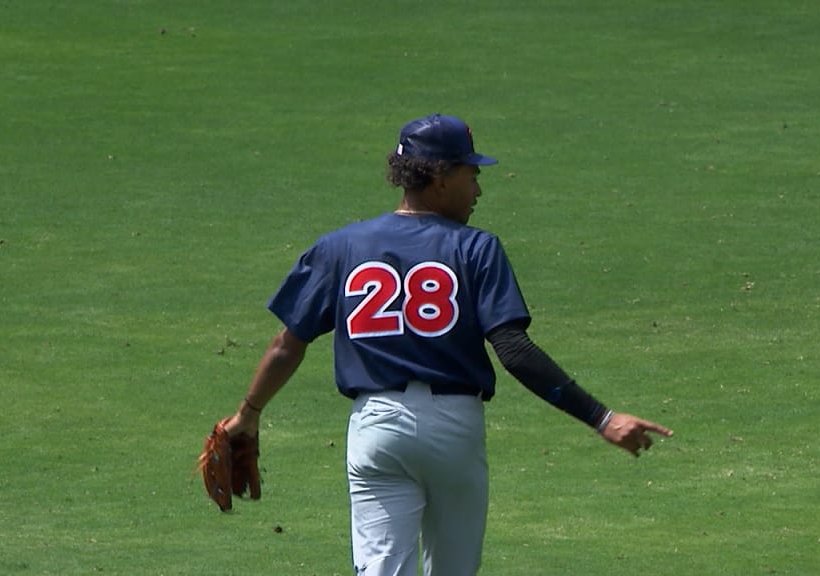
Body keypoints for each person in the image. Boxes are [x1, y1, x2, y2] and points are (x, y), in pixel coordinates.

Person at [221, 113, 673, 576]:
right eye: (471, 175)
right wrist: (601, 417)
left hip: (377, 431)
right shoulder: (476, 248)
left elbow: (286, 344)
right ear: (438, 177)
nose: (478, 190)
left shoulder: (341, 246)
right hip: (454, 430)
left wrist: (249, 412)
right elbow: (514, 351)